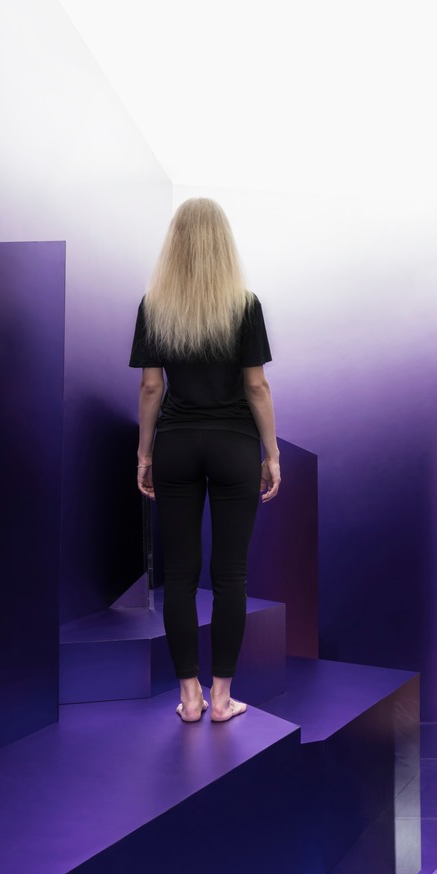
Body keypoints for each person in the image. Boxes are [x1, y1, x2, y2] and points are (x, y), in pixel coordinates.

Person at [130, 198, 280, 723]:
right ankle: (221, 698)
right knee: (231, 574)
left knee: (179, 574)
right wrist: (272, 452)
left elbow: (152, 388)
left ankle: (189, 697)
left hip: (176, 444)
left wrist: (144, 453)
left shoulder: (155, 305)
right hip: (234, 444)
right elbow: (256, 387)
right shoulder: (245, 305)